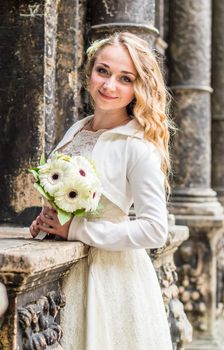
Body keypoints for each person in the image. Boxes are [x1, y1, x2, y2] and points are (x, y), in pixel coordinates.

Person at [30, 32, 173, 349]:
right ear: (90, 70)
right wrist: (47, 222)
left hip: (110, 278)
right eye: (103, 71)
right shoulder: (77, 129)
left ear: (139, 87)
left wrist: (76, 229)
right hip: (61, 271)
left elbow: (154, 230)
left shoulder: (138, 146)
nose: (109, 86)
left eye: (125, 78)